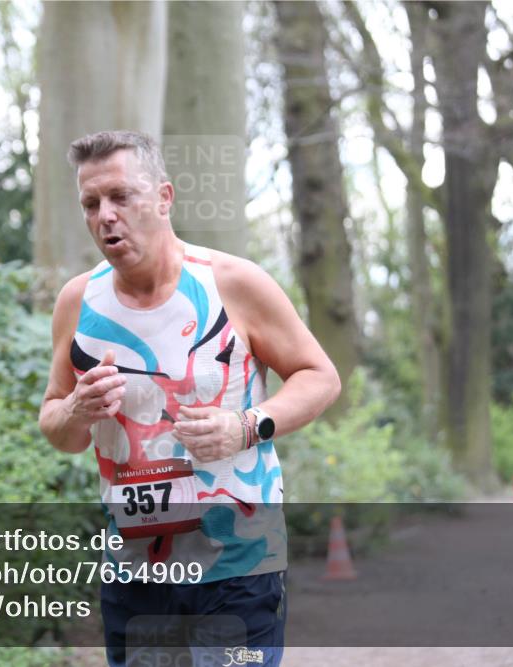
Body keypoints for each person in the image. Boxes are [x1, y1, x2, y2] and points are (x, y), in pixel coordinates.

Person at [39, 130, 341, 666]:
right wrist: (78, 410)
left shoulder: (233, 284)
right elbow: (57, 426)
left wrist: (247, 426)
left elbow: (320, 377)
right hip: (134, 568)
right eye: (91, 203)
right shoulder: (79, 303)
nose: (105, 215)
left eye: (120, 197)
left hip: (239, 561)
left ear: (164, 197)